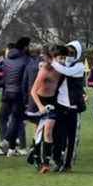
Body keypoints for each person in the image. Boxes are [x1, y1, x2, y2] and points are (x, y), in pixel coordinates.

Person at [50, 40, 86, 172]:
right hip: (60, 105)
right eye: (68, 51)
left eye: (72, 52)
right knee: (58, 136)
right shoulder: (62, 63)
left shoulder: (79, 66)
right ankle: (57, 160)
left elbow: (67, 72)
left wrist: (52, 62)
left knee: (72, 138)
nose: (69, 54)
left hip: (73, 107)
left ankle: (68, 164)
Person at [30, 46, 66, 174]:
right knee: (40, 132)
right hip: (40, 101)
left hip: (53, 102)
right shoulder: (44, 70)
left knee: (49, 130)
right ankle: (36, 156)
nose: (62, 61)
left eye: (63, 58)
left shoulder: (62, 70)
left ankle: (46, 162)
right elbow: (33, 91)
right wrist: (40, 106)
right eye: (59, 58)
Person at [0, 37, 31, 157]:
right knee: (16, 119)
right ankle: (7, 141)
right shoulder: (26, 60)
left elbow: (4, 79)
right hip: (18, 93)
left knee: (3, 119)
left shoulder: (6, 59)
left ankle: (10, 148)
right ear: (25, 47)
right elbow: (27, 79)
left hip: (7, 93)